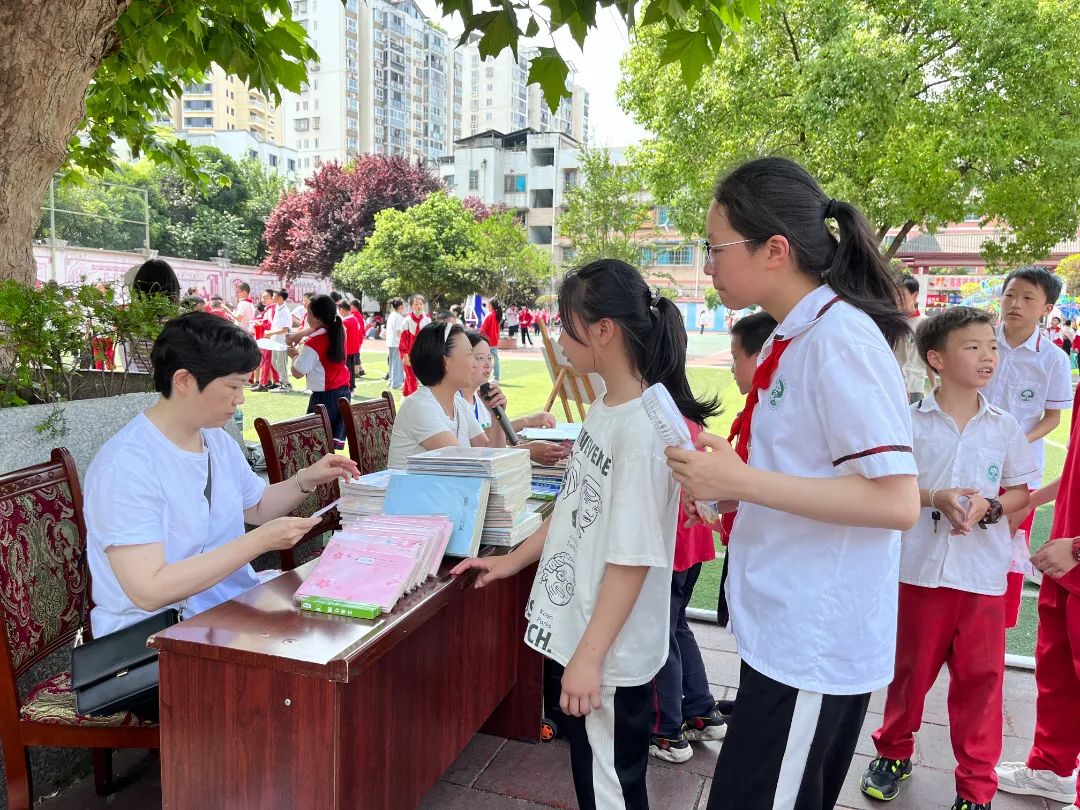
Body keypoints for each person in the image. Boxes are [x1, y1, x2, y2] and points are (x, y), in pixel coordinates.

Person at [666, 157, 920, 810]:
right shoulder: (797, 337)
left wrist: (745, 480)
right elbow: (804, 471)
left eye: (714, 247)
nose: (709, 264)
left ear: (774, 250)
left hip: (813, 642)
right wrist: (730, 485)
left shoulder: (839, 341)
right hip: (784, 634)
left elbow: (896, 501)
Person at [452, 259, 720, 810]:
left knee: (609, 786)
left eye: (567, 326)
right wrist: (513, 561)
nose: (558, 339)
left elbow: (633, 556)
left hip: (609, 649)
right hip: (591, 629)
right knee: (598, 775)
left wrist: (590, 658)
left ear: (603, 331)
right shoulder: (608, 406)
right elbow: (577, 509)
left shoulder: (642, 426)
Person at [83, 313, 359, 713]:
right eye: (232, 386)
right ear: (183, 381)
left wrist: (306, 479)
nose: (240, 399)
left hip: (223, 616)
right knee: (298, 690)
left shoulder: (215, 441)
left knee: (334, 634)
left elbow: (259, 507)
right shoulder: (126, 467)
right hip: (154, 644)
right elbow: (149, 591)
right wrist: (258, 543)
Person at [861, 307, 1034, 810]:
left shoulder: (1003, 427)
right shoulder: (909, 422)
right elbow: (888, 488)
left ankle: (975, 786)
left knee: (982, 684)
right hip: (917, 571)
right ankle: (893, 752)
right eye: (973, 346)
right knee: (908, 672)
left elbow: (1021, 493)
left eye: (993, 347)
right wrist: (935, 496)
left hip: (981, 577)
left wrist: (992, 505)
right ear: (936, 358)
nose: (988, 356)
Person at [994, 384, 1080, 810]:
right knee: (1057, 673)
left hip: (1073, 552)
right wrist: (1032, 503)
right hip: (1063, 560)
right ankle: (1051, 768)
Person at [985, 265, 1071, 629]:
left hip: (1020, 472)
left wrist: (1018, 440)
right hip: (969, 459)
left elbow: (1052, 417)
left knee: (1007, 544)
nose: (1015, 304)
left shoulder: (1054, 359)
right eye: (1010, 295)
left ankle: (996, 623)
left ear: (1046, 308)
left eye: (1028, 298)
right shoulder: (979, 341)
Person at [714, 310, 777, 628]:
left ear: (762, 356)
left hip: (762, 554)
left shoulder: (769, 416)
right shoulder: (754, 408)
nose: (732, 368)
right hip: (742, 539)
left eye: (736, 357)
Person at [459, 330, 570, 467]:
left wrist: (527, 422)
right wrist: (528, 449)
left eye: (489, 357)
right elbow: (482, 450)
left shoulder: (481, 399)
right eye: (480, 358)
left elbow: (491, 440)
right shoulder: (457, 402)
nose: (487, 364)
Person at [387, 322, 488, 469]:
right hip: (415, 491)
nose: (475, 363)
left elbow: (489, 450)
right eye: (469, 354)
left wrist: (496, 415)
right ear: (445, 362)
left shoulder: (458, 403)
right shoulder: (419, 407)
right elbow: (462, 463)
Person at [288, 295, 352, 449]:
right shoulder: (338, 330)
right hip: (342, 394)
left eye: (308, 313)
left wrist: (294, 355)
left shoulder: (314, 343)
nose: (306, 316)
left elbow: (297, 372)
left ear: (316, 318)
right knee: (327, 444)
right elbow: (317, 327)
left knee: (317, 445)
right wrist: (301, 334)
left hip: (325, 398)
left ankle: (325, 473)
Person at [893, 275, 931, 403]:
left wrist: (934, 388)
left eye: (902, 296)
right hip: (894, 385)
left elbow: (930, 358)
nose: (897, 300)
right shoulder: (891, 323)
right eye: (895, 295)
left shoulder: (924, 324)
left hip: (915, 387)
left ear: (914, 296)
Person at [398, 294, 431, 397]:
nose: (419, 306)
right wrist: (405, 354)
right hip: (409, 353)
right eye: (416, 304)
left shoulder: (427, 320)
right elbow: (403, 339)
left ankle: (406, 395)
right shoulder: (407, 321)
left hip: (422, 353)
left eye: (421, 304)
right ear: (411, 307)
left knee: (416, 377)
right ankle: (413, 399)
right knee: (411, 377)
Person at [266, 289, 294, 392]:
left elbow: (285, 329)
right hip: (275, 342)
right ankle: (284, 382)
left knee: (281, 364)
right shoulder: (278, 308)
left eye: (274, 295)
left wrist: (270, 333)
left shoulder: (285, 311)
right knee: (275, 363)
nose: (272, 297)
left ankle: (285, 384)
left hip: (282, 342)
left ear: (280, 297)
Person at [252, 290, 280, 391]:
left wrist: (260, 324)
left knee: (266, 360)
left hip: (269, 338)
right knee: (270, 361)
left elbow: (271, 325)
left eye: (265, 297)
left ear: (272, 298)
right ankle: (275, 381)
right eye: (262, 297)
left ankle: (263, 383)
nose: (262, 299)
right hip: (269, 337)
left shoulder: (272, 309)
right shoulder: (269, 309)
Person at [338, 300, 363, 390]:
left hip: (347, 349)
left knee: (347, 369)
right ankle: (352, 385)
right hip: (354, 348)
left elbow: (341, 336)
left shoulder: (344, 321)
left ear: (341, 310)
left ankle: (348, 386)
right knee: (351, 368)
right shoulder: (355, 319)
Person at [480, 298, 503, 382]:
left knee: (482, 359)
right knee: (495, 360)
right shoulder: (497, 315)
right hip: (494, 341)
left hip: (487, 342)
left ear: (491, 305)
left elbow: (483, 329)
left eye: (488, 304)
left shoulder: (489, 315)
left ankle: (483, 377)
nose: (487, 306)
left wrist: (478, 338)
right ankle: (496, 378)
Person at [385, 298, 406, 389]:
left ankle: (392, 381)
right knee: (397, 364)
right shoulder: (398, 317)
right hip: (397, 343)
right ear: (400, 306)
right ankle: (396, 383)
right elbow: (399, 332)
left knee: (393, 363)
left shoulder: (392, 315)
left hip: (391, 342)